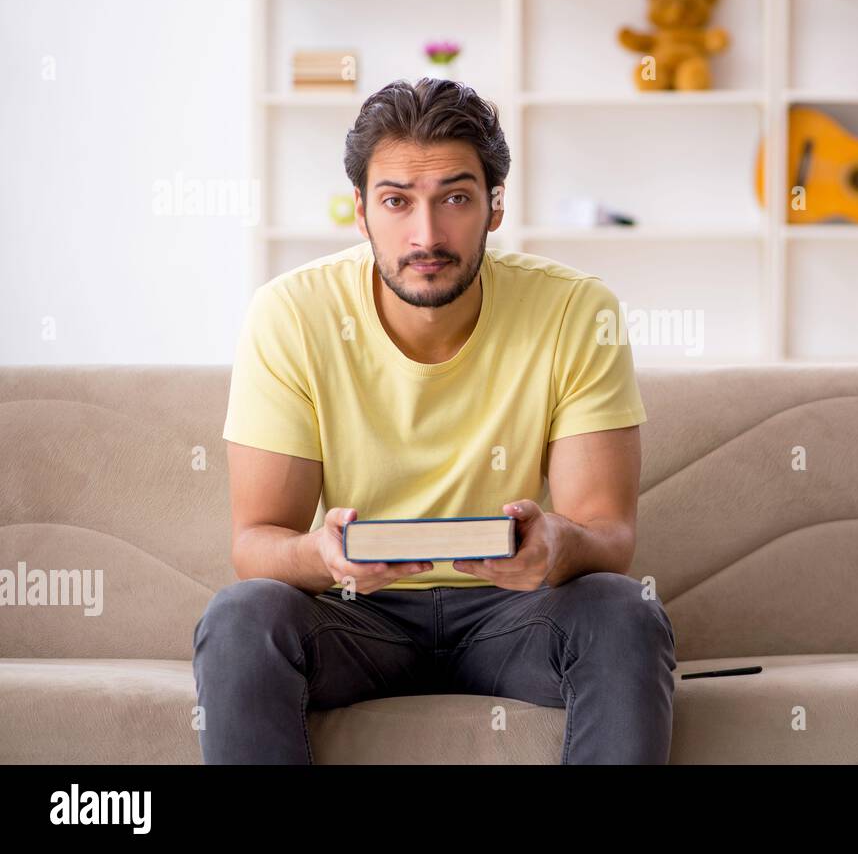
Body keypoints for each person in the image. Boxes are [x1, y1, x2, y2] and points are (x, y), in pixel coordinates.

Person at [192, 77, 676, 764]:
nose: (426, 234)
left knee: (624, 612)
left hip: (516, 615)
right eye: (396, 201)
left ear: (494, 207)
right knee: (241, 617)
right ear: (360, 212)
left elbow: (609, 535)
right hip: (355, 617)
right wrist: (322, 554)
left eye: (454, 197)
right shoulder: (290, 315)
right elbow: (256, 542)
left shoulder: (576, 310)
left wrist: (556, 543)